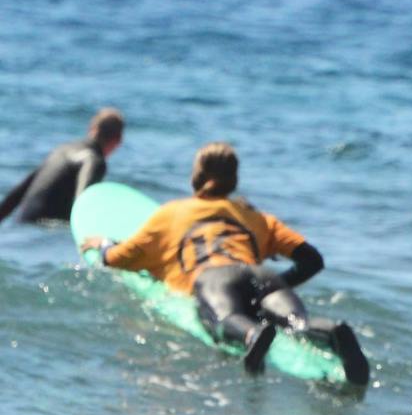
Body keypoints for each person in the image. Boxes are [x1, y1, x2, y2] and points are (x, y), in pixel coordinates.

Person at [79, 141, 366, 383]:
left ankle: (253, 335)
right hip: (262, 275)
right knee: (297, 324)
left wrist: (103, 245)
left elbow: (120, 259)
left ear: (196, 176)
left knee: (225, 320)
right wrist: (280, 283)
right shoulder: (256, 217)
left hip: (212, 278)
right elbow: (312, 260)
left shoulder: (170, 214)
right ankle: (333, 331)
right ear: (234, 179)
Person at [0, 108, 123, 225]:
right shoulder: (94, 161)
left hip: (22, 224)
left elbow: (17, 194)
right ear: (118, 140)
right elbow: (83, 201)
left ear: (92, 129)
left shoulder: (61, 150)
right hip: (48, 233)